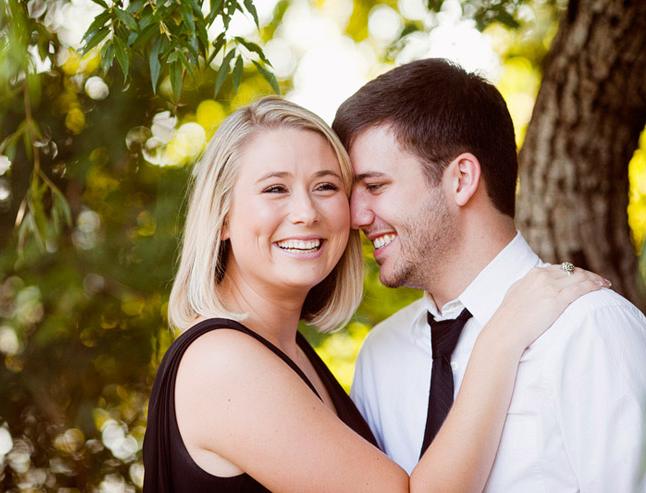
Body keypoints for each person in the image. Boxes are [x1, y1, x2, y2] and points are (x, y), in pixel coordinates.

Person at [142, 96, 607, 492]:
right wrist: (502, 335)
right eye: (275, 188)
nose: (305, 212)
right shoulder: (224, 363)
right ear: (222, 218)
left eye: (326, 186)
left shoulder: (288, 352)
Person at [333, 58, 646, 492]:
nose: (355, 216)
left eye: (375, 186)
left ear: (461, 179)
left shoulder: (590, 328)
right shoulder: (379, 356)